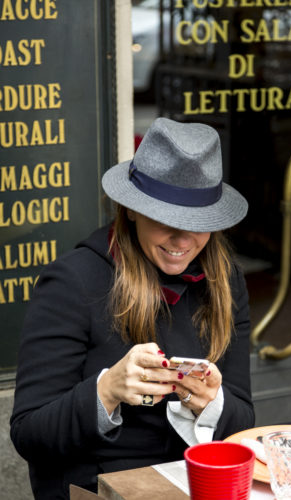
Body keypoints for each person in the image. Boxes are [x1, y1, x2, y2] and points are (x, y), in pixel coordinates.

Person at [10, 117, 255, 499]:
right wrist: (106, 391)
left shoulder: (226, 280)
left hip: (193, 486)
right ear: (131, 210)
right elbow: (29, 434)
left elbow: (242, 420)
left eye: (199, 222)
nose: (183, 240)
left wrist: (209, 404)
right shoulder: (73, 281)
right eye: (167, 219)